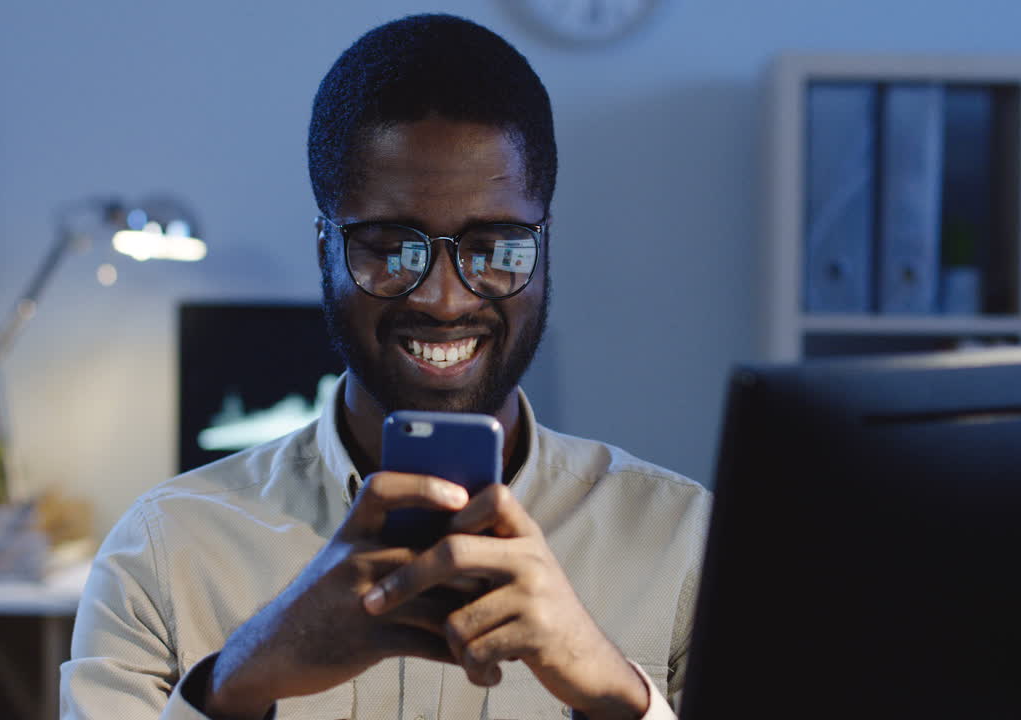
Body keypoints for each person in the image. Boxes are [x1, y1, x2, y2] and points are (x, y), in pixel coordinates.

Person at [62, 14, 711, 720]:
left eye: (495, 244)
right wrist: (240, 682)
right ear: (325, 249)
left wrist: (618, 694)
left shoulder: (681, 547)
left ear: (545, 244)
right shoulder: (165, 552)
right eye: (391, 246)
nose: (444, 298)